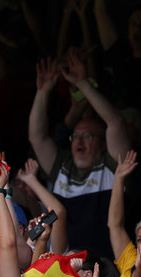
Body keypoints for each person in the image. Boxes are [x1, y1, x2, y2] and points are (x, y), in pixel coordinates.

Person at [29, 53, 132, 256]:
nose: (79, 141)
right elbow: (37, 138)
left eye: (87, 136)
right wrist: (43, 92)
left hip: (107, 264)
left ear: (103, 143)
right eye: (75, 137)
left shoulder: (113, 165)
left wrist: (83, 83)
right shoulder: (63, 166)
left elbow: (115, 122)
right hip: (67, 262)